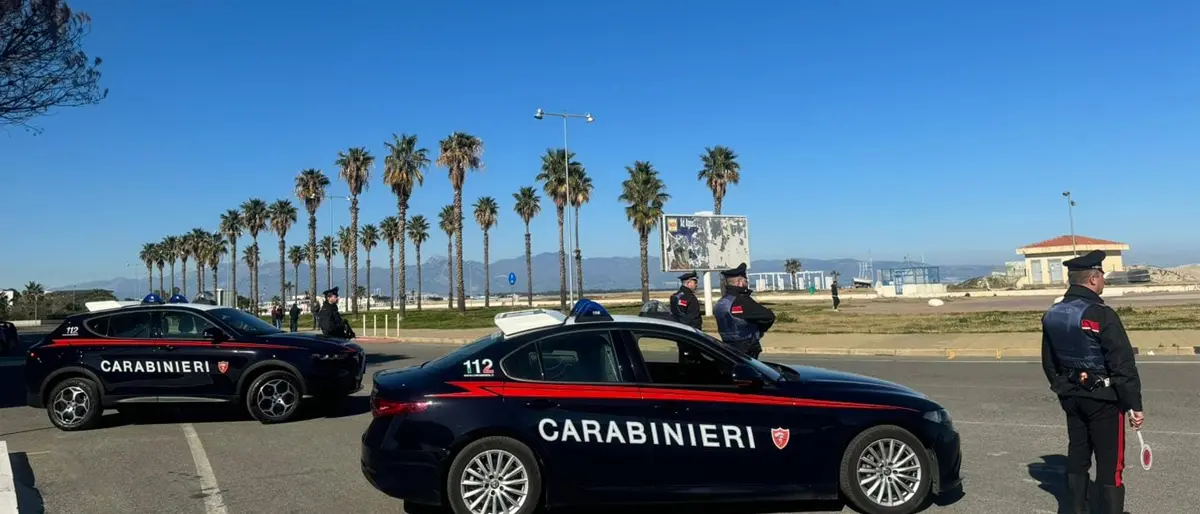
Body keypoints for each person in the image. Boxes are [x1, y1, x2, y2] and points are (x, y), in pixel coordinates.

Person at [1041, 250, 1143, 514]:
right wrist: (1134, 405)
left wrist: (1063, 389)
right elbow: (1122, 364)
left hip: (1071, 397)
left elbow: (1049, 361)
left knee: (1078, 456)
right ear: (1093, 279)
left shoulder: (1052, 313)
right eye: (1102, 276)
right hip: (1104, 399)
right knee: (1110, 465)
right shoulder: (1101, 314)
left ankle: (1076, 509)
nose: (1103, 281)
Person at [713, 263, 775, 358]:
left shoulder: (720, 303)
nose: (747, 284)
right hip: (746, 348)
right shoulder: (742, 300)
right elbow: (768, 316)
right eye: (746, 281)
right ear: (740, 283)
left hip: (726, 346)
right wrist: (759, 330)